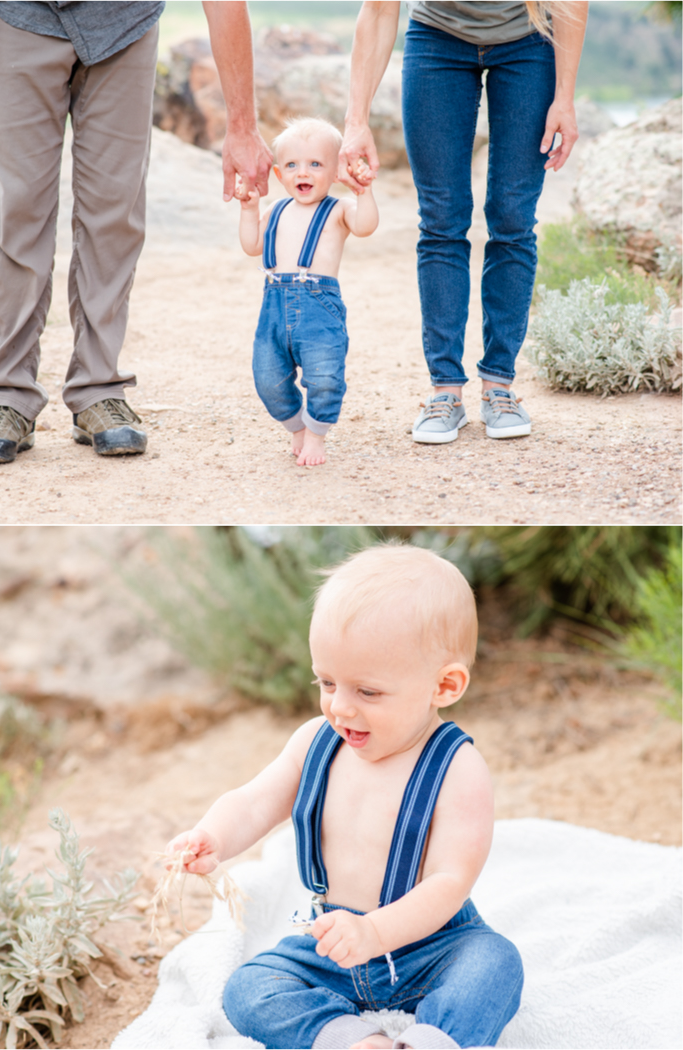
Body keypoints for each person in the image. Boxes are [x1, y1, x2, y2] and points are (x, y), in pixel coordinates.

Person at [166, 545, 522, 1050]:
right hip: (332, 942)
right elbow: (255, 801)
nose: (339, 706)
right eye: (327, 682)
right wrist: (213, 836)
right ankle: (353, 1039)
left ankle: (431, 1039)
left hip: (433, 944)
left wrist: (376, 934)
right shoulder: (317, 741)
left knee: (494, 965)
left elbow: (449, 881)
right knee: (249, 988)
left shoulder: (457, 768)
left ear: (444, 685)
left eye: (368, 692)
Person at [0, 0, 274, 465]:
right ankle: (8, 395)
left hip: (125, 22)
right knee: (17, 208)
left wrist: (242, 127)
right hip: (21, 15)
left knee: (115, 210)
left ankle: (98, 388)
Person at [340, 1, 588, 444]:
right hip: (437, 40)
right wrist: (355, 120)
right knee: (441, 221)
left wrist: (564, 98)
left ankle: (499, 386)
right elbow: (379, 9)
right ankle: (445, 393)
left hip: (528, 43)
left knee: (513, 220)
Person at [239, 117, 379, 467]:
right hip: (273, 307)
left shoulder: (338, 209)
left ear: (335, 172)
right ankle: (296, 427)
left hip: (320, 308)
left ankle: (316, 435)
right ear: (277, 174)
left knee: (325, 376)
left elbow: (365, 227)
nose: (303, 172)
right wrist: (249, 209)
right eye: (292, 165)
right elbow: (252, 245)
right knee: (268, 377)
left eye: (316, 164)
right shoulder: (275, 210)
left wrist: (364, 194)